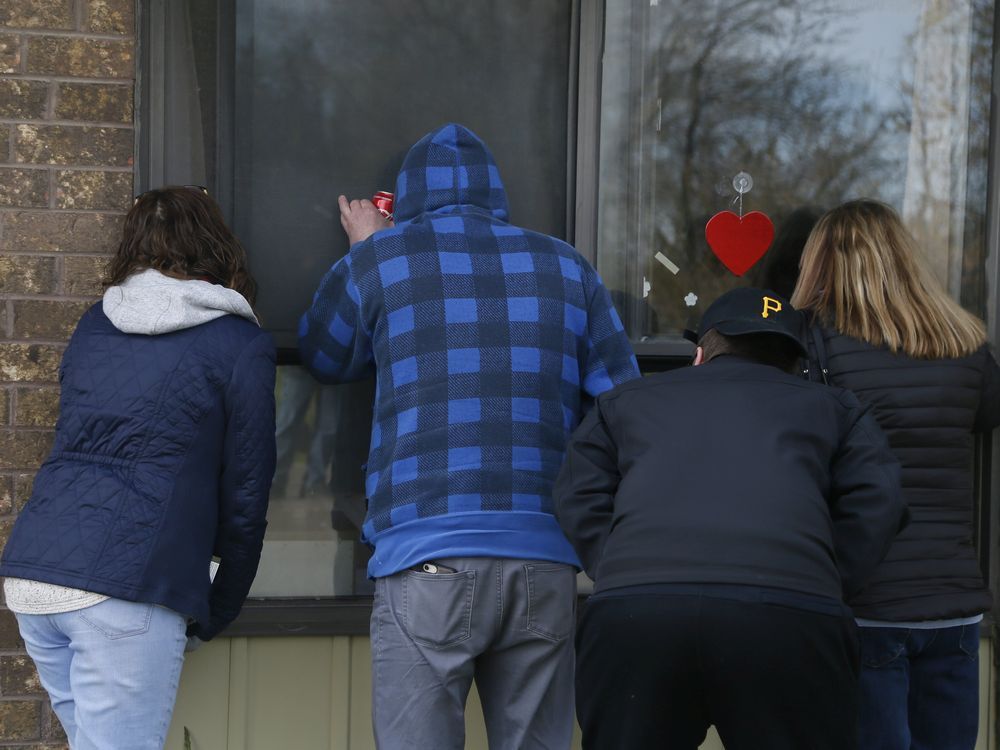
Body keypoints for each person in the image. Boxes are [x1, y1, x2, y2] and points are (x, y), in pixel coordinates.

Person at [299, 123, 639, 749]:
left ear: (405, 197)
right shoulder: (568, 266)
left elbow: (324, 355)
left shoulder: (383, 258)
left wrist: (365, 248)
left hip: (425, 555)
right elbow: (624, 400)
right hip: (543, 555)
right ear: (495, 192)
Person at [553, 286, 907, 750]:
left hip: (638, 616)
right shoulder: (835, 408)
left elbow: (578, 492)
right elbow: (878, 499)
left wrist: (616, 565)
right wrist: (824, 575)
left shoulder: (625, 403)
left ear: (701, 352)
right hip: (788, 618)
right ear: (793, 362)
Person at [0, 186, 277, 750]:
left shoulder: (93, 325)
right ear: (218, 249)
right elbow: (247, 494)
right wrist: (217, 609)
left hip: (36, 576)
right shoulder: (238, 343)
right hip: (126, 584)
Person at [791, 199, 1000, 750]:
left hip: (866, 604)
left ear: (820, 266)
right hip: (954, 607)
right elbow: (987, 415)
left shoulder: (816, 345)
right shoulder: (968, 344)